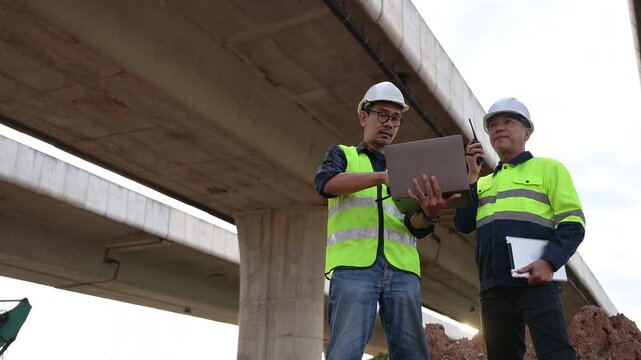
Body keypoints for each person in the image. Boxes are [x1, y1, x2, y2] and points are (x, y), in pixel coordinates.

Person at [314, 81, 459, 360]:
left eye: (395, 118)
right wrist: (382, 177)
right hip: (354, 267)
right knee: (344, 351)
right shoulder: (342, 155)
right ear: (363, 116)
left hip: (403, 269)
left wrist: (429, 213)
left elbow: (414, 226)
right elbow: (326, 183)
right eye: (382, 114)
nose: (389, 123)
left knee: (412, 353)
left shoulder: (410, 166)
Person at [455, 98, 585, 360]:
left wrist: (549, 262)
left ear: (527, 132)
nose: (499, 128)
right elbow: (463, 223)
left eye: (508, 122)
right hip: (493, 288)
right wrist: (470, 176)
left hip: (535, 282)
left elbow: (573, 224)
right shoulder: (482, 183)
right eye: (492, 125)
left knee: (556, 354)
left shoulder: (550, 169)